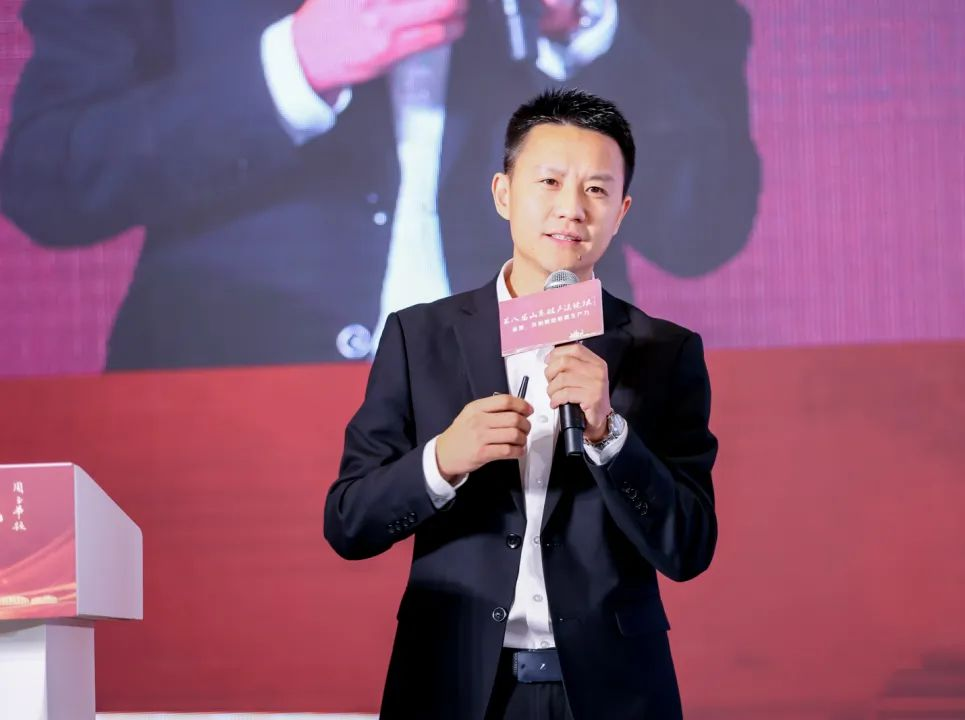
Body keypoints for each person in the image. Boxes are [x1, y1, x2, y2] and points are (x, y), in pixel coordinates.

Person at [0, 0, 758, 371]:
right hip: (228, 415)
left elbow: (705, 224)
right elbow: (47, 177)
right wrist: (294, 67)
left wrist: (588, 24)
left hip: (543, 434)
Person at [324, 89, 718, 720]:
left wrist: (610, 436)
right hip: (454, 685)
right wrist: (442, 461)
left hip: (611, 694)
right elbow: (349, 523)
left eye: (596, 190)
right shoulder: (418, 337)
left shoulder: (665, 351)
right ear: (503, 193)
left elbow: (688, 547)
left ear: (622, 211)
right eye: (550, 182)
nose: (571, 208)